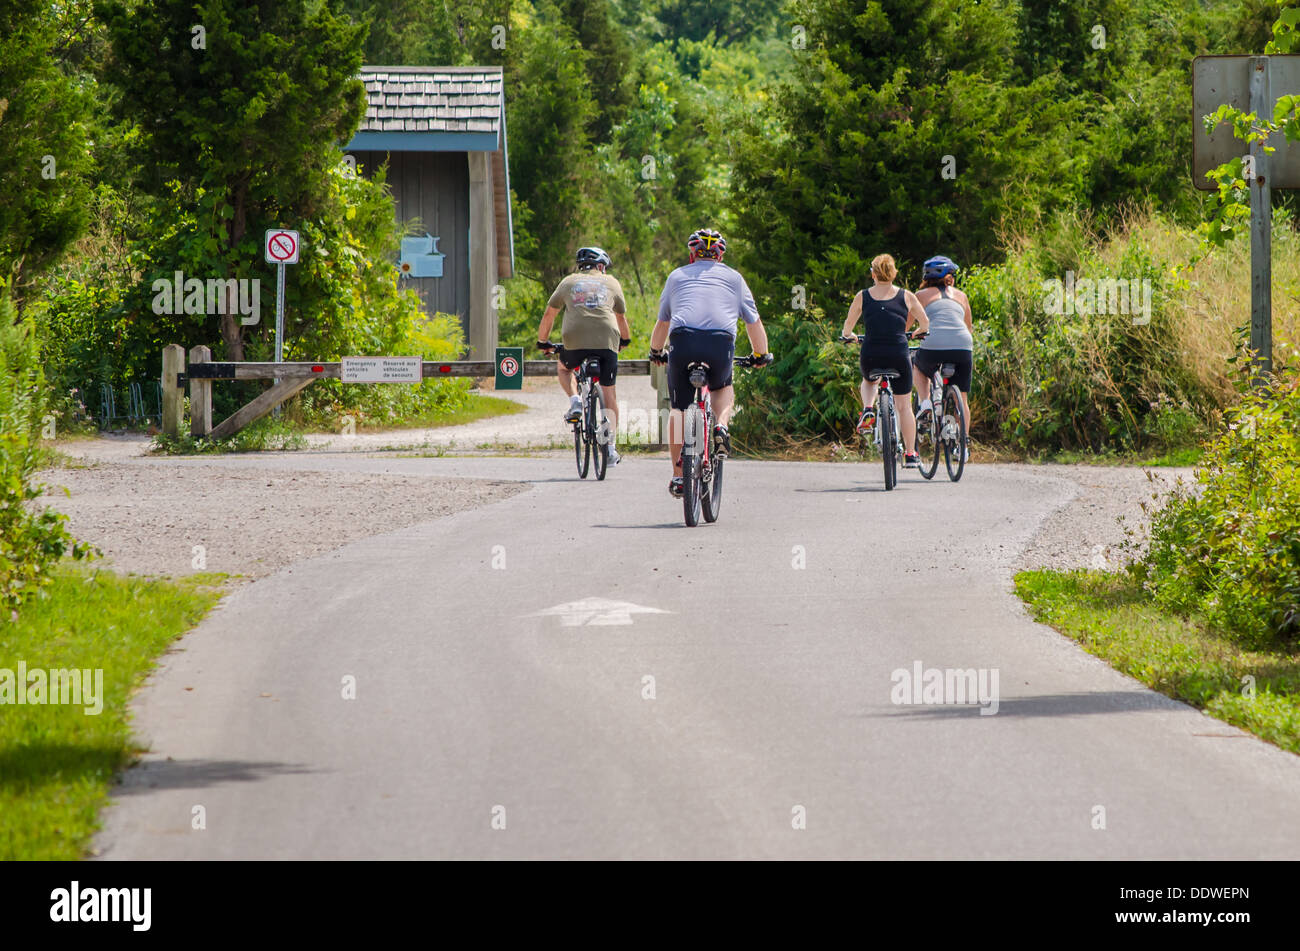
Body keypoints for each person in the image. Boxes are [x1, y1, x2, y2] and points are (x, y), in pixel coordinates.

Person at [648, 228, 771, 498]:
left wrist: (656, 351)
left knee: (679, 408)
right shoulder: (734, 279)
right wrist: (760, 354)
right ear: (720, 255)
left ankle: (679, 477)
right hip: (720, 343)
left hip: (683, 340)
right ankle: (721, 426)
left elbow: (663, 322)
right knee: (722, 386)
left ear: (692, 254)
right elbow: (753, 322)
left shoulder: (676, 276)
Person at [537, 246, 631, 466]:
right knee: (610, 394)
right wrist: (624, 340)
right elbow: (621, 318)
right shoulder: (612, 283)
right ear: (601, 266)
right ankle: (610, 448)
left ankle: (575, 401)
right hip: (607, 340)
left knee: (564, 368)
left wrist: (543, 342)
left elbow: (550, 313)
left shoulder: (568, 282)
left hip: (574, 340)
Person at [840, 253, 929, 467]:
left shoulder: (862, 296)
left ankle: (868, 409)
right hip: (898, 353)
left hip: (871, 352)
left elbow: (847, 329)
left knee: (869, 380)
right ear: (894, 273)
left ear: (873, 274)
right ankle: (910, 454)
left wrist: (850, 337)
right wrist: (918, 332)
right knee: (904, 406)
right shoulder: (906, 296)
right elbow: (925, 323)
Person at [912, 255, 973, 463]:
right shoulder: (961, 296)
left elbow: (907, 326)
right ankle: (963, 446)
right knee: (962, 398)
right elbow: (969, 327)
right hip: (963, 346)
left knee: (918, 366)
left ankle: (926, 402)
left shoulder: (920, 295)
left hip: (933, 345)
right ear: (949, 277)